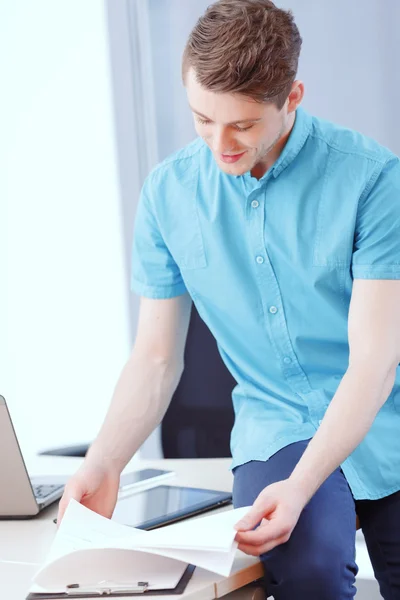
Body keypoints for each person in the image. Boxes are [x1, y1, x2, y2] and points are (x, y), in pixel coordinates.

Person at [58, 1, 400, 597]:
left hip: (387, 416)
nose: (221, 144)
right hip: (278, 427)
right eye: (202, 120)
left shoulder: (372, 180)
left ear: (292, 97)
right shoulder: (168, 196)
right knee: (309, 569)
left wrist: (303, 484)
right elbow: (156, 359)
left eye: (241, 125)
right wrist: (106, 459)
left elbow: (373, 361)